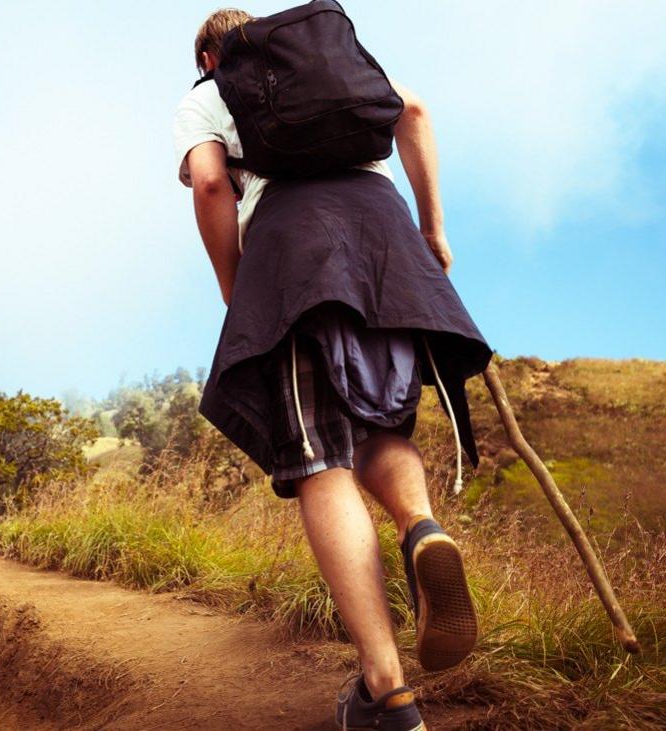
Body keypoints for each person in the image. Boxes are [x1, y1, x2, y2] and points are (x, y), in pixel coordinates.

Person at [173, 8, 494, 730]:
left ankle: (388, 690)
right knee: (378, 424)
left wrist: (236, 289)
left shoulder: (209, 91)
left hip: (296, 257)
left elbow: (209, 184)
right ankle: (420, 529)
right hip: (387, 249)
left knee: (319, 459)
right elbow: (411, 110)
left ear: (207, 52)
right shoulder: (336, 72)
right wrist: (432, 227)